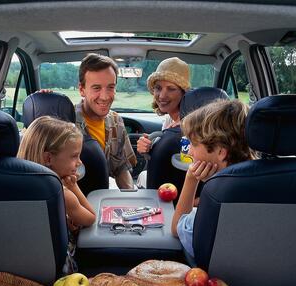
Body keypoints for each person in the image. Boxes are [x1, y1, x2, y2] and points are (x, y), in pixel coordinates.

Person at [171, 99, 254, 258]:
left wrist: (191, 178)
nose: (189, 152)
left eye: (194, 144)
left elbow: (177, 228)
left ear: (221, 152)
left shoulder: (217, 196)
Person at [17, 116, 96, 273]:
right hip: (59, 268)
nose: (79, 162)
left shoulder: (16, 183)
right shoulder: (61, 194)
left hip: (25, 261)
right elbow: (90, 218)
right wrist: (73, 186)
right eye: (74, 156)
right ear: (48, 158)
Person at [75, 53, 137, 189]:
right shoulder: (65, 121)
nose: (105, 96)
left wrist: (130, 195)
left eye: (110, 87)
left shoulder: (116, 121)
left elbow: (121, 167)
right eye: (96, 88)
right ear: (82, 89)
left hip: (103, 195)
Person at [135, 57, 190, 187]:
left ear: (184, 93)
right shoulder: (168, 120)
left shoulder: (191, 126)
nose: (162, 95)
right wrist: (148, 149)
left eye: (171, 89)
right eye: (158, 88)